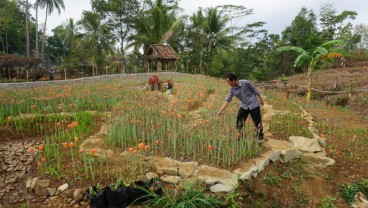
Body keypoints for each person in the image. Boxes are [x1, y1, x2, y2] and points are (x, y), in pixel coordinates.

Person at [217, 73, 265, 143]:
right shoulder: (232, 89)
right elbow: (227, 100)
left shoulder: (246, 83)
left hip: (253, 104)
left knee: (257, 122)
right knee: (239, 118)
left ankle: (260, 137)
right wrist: (220, 111)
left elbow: (255, 91)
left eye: (229, 82)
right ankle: (239, 134)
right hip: (244, 106)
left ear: (233, 80)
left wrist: (261, 99)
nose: (228, 83)